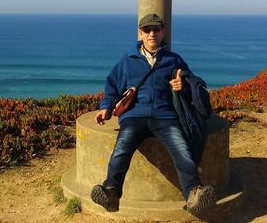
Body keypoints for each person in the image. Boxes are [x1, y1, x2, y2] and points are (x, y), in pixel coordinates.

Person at [90, 13, 216, 214]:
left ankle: (194, 194)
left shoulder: (174, 60)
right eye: (147, 30)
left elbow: (193, 84)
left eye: (156, 30)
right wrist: (105, 106)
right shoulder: (128, 60)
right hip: (134, 115)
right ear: (140, 33)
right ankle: (112, 192)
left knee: (181, 150)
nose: (152, 34)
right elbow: (112, 85)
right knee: (122, 148)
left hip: (165, 116)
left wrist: (182, 86)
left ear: (162, 32)